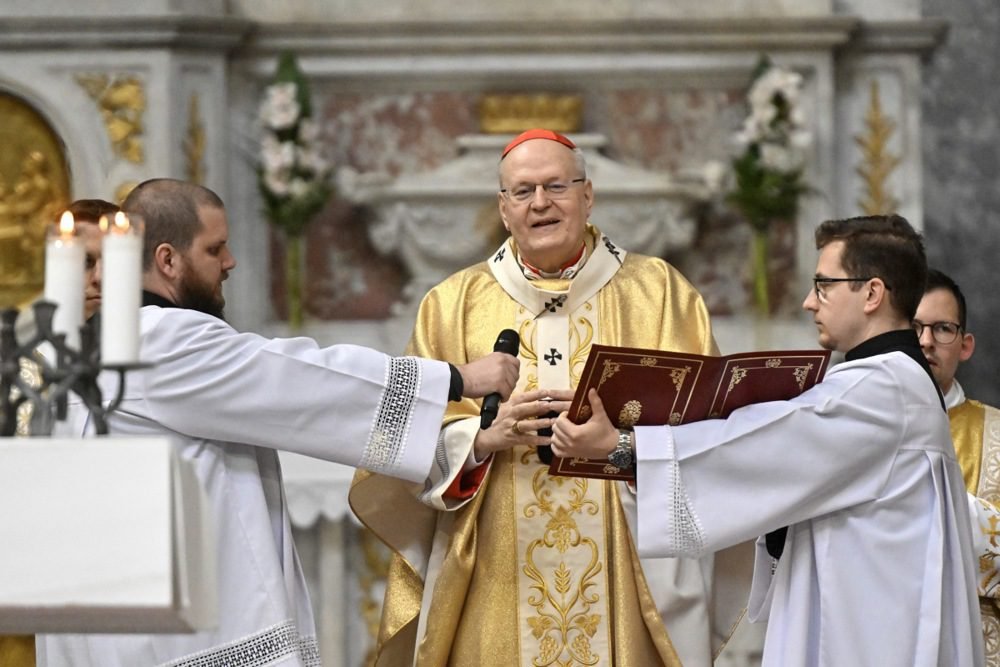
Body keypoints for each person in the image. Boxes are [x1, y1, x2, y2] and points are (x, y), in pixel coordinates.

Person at [35, 178, 519, 667]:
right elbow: (305, 380)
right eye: (215, 248)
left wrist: (462, 441)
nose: (230, 262)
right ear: (167, 260)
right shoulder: (159, 340)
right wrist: (456, 378)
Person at [350, 129, 750, 666]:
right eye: (522, 191)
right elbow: (401, 442)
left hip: (627, 574)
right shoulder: (451, 305)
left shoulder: (659, 294)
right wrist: (482, 438)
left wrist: (620, 446)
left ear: (588, 196)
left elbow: (711, 428)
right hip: (494, 573)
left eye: (556, 186)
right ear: (503, 207)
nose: (540, 203)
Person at [551, 214, 984, 666]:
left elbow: (759, 447)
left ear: (872, 293)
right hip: (873, 620)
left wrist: (622, 446)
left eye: (823, 285)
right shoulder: (894, 382)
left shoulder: (880, 389)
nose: (807, 303)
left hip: (868, 635)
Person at [915, 268, 1000, 665]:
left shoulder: (997, 432)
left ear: (965, 345)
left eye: (942, 329)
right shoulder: (861, 429)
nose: (927, 342)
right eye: (914, 328)